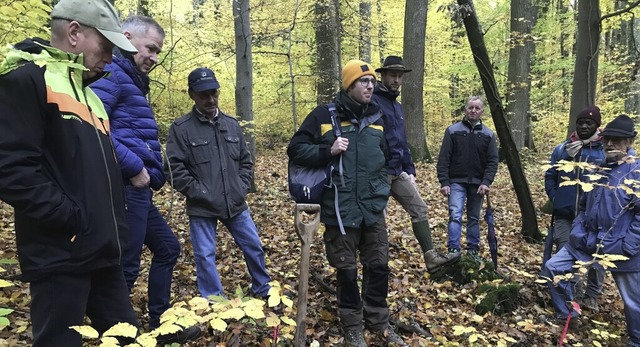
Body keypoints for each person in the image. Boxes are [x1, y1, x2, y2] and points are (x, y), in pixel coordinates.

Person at [0, 0, 140, 345]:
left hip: (103, 252)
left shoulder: (89, 95)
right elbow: (11, 168)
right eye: (105, 46)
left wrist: (110, 230)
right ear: (75, 33)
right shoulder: (26, 79)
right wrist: (72, 219)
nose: (110, 58)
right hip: (61, 256)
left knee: (129, 339)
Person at [90, 16, 200, 342]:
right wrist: (135, 167)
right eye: (150, 48)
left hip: (139, 189)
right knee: (126, 268)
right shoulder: (113, 74)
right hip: (126, 186)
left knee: (167, 248)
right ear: (126, 38)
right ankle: (119, 337)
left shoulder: (129, 78)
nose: (153, 57)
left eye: (157, 51)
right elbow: (91, 124)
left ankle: (160, 323)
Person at [288, 60, 407, 347]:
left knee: (378, 267)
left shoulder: (377, 117)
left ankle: (378, 321)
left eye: (370, 81)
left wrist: (381, 187)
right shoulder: (323, 115)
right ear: (350, 85)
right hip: (340, 210)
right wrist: (327, 150)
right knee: (346, 270)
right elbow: (295, 149)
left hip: (372, 209)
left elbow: (387, 155)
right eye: (362, 82)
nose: (370, 86)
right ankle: (352, 326)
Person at [165, 67, 272, 300]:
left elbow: (246, 161)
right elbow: (173, 168)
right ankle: (214, 300)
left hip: (235, 201)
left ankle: (263, 289)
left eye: (214, 93)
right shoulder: (181, 128)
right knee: (204, 254)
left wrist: (241, 186)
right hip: (202, 205)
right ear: (191, 94)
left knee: (253, 245)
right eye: (204, 95)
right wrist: (199, 191)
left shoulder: (232, 125)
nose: (210, 99)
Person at [544, 114, 640, 345]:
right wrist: (579, 229)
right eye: (607, 139)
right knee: (552, 268)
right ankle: (567, 314)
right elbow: (585, 205)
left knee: (633, 301)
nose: (609, 144)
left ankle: (636, 340)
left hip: (621, 248)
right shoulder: (598, 169)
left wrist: (628, 244)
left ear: (629, 142)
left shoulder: (636, 173)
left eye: (616, 140)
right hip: (587, 241)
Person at [373, 56, 460, 273]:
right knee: (377, 218)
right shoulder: (372, 101)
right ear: (382, 76)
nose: (396, 80)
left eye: (400, 76)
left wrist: (409, 168)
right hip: (379, 171)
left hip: (397, 170)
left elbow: (401, 140)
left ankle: (430, 257)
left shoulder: (397, 107)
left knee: (419, 208)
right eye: (392, 75)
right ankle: (376, 264)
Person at [543, 106, 606, 312]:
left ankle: (592, 295)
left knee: (595, 256)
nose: (584, 126)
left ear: (597, 126)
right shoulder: (563, 149)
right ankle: (572, 294)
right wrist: (556, 197)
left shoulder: (604, 151)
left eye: (589, 123)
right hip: (565, 213)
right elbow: (551, 176)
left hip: (594, 216)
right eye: (581, 122)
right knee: (564, 251)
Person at [436, 96, 499, 259]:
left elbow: (493, 161)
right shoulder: (453, 131)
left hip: (478, 184)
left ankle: (473, 251)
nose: (473, 111)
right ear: (465, 109)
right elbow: (444, 158)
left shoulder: (488, 134)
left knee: (474, 218)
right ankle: (453, 250)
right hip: (456, 181)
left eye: (477, 108)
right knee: (455, 214)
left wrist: (486, 182)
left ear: (482, 111)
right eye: (470, 107)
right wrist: (444, 181)